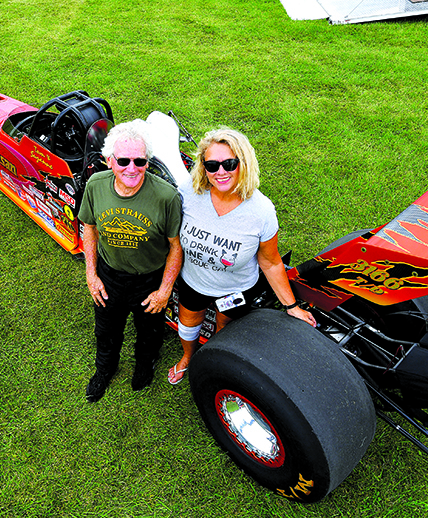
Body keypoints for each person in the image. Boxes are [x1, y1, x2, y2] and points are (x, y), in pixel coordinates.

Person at [168, 127, 316, 385]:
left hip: (236, 290)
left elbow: (270, 262)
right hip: (194, 282)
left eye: (229, 163)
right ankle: (188, 357)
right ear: (203, 167)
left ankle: (216, 360)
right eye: (212, 165)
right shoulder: (187, 194)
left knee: (225, 329)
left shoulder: (261, 211)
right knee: (188, 322)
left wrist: (291, 307)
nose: (220, 172)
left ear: (243, 164)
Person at [78, 120, 183, 403]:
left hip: (149, 279)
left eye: (140, 160)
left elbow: (176, 247)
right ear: (109, 160)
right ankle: (104, 370)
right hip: (109, 275)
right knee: (106, 331)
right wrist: (91, 273)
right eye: (123, 160)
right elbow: (89, 227)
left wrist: (164, 290)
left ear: (148, 161)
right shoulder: (96, 185)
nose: (132, 168)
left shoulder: (166, 197)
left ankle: (144, 366)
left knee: (150, 332)